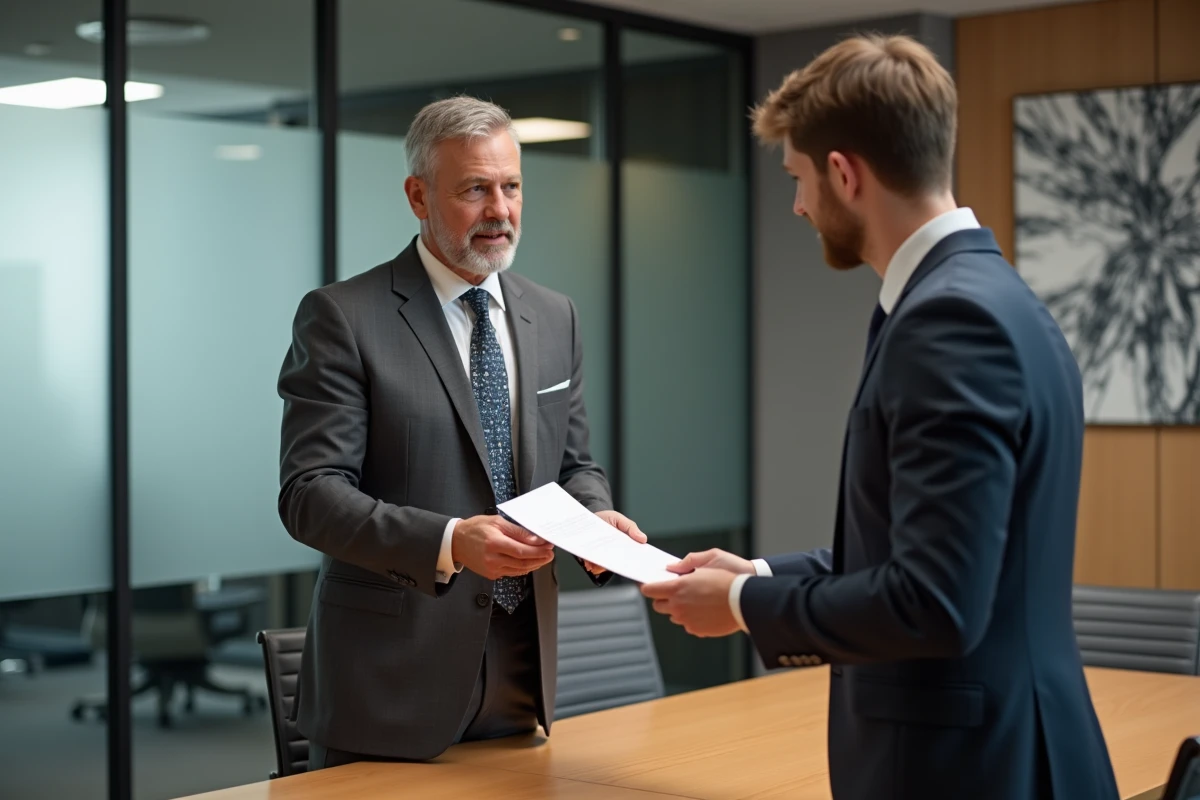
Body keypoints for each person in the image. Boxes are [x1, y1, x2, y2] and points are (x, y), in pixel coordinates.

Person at [642, 34, 1119, 799]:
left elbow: (934, 601)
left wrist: (741, 604)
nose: (798, 206)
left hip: (969, 771)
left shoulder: (949, 323)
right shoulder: (992, 297)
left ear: (844, 172)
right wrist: (759, 575)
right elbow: (933, 551)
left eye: (798, 178)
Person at [277, 96, 644, 768]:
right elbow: (310, 495)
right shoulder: (343, 317)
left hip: (523, 675)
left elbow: (574, 465)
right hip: (388, 685)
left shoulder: (554, 316)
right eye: (475, 190)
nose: (500, 211)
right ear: (418, 196)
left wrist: (595, 518)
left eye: (511, 187)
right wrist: (450, 541)